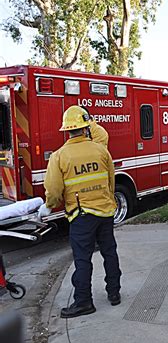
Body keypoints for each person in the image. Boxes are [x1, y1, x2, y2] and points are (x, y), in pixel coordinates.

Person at [38, 105, 121, 318]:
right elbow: (111, 180)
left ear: (66, 130)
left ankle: (84, 302)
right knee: (109, 253)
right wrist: (107, 202)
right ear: (86, 127)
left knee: (82, 259)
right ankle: (114, 293)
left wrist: (48, 205)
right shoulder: (101, 150)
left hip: (80, 215)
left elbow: (55, 191)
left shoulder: (59, 156)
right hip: (105, 212)